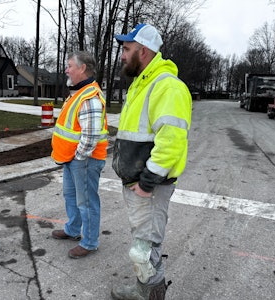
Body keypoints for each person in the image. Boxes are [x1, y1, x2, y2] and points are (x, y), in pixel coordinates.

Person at [111, 24, 192, 299]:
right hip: (138, 184)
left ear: (142, 51)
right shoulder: (141, 84)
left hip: (150, 187)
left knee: (144, 250)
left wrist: (146, 183)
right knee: (143, 245)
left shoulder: (167, 87)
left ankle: (149, 294)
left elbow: (171, 143)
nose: (122, 55)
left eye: (126, 49)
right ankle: (146, 290)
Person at [50, 51, 108, 259]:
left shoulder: (89, 96)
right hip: (71, 159)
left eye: (70, 65)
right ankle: (73, 229)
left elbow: (91, 136)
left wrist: (79, 157)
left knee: (87, 202)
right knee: (71, 196)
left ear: (82, 68)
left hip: (84, 160)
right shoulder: (78, 93)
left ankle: (90, 242)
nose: (67, 69)